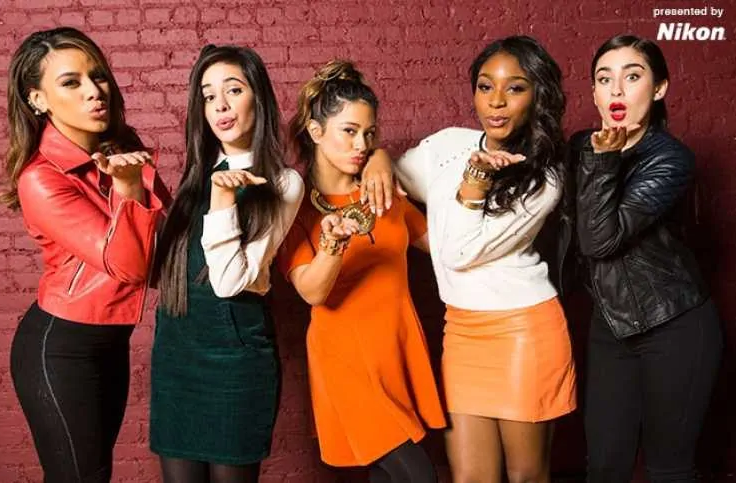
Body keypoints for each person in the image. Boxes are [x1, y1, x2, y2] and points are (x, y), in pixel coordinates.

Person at [362, 36, 576, 483]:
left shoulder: (543, 178)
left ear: (538, 95)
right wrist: (378, 158)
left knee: (526, 477)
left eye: (515, 88)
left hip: (522, 330)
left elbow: (458, 252)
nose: (496, 101)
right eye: (485, 86)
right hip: (460, 330)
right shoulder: (448, 146)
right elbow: (393, 175)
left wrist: (475, 182)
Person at [0, 27, 169, 482]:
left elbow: (165, 251)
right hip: (61, 348)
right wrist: (129, 190)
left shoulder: (123, 155)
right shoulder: (41, 178)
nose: (94, 91)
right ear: (38, 99)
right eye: (71, 82)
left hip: (110, 344)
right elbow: (130, 266)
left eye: (99, 76)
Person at [277, 60, 446, 483]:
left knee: (387, 478)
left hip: (395, 351)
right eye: (349, 131)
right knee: (420, 477)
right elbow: (312, 292)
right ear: (316, 131)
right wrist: (333, 246)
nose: (361, 144)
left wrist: (387, 161)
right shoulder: (295, 208)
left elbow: (447, 248)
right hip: (345, 361)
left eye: (369, 134)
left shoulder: (383, 192)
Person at [563, 34, 722, 483]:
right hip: (611, 326)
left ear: (659, 88)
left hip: (673, 326)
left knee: (668, 470)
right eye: (604, 79)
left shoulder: (670, 158)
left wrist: (604, 161)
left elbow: (600, 240)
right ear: (594, 92)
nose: (616, 90)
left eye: (632, 77)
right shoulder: (579, 147)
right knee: (604, 468)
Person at [149, 44, 304, 483]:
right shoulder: (195, 176)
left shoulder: (282, 183)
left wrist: (223, 201)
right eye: (208, 95)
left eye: (233, 90)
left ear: (259, 97)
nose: (219, 104)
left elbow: (229, 282)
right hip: (177, 356)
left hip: (235, 361)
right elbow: (162, 273)